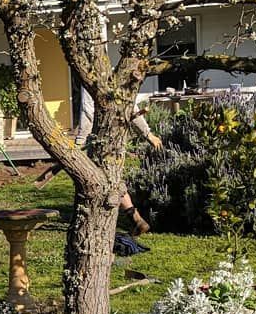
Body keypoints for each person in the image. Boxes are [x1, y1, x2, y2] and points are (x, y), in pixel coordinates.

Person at [36, 86, 163, 234]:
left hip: (99, 142)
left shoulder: (91, 83)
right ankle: (136, 219)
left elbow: (88, 112)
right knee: (113, 179)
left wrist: (81, 139)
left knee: (88, 181)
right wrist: (148, 134)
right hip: (116, 142)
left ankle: (90, 222)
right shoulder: (118, 82)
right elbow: (131, 109)